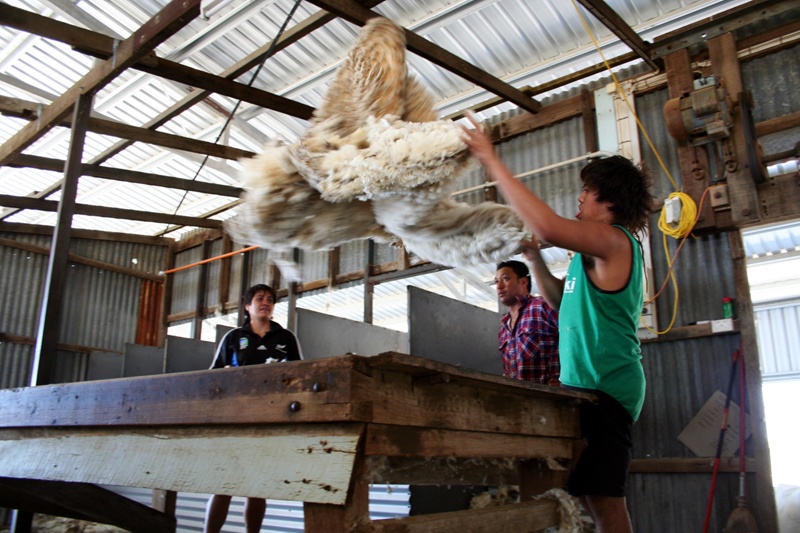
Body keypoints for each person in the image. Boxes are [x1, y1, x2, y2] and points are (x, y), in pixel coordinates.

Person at [463, 114, 653, 533]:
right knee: (590, 495)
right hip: (583, 389)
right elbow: (557, 303)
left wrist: (490, 158)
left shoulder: (616, 240)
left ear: (610, 202)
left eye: (587, 192)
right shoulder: (589, 258)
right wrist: (533, 257)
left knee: (605, 501)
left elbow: (548, 224)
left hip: (607, 389)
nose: (580, 199)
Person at [205, 283, 303, 533]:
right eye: (259, 298)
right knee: (224, 484)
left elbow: (300, 375)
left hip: (271, 419)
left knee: (258, 486)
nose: (265, 302)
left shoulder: (286, 338)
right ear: (247, 306)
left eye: (270, 299)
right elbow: (212, 378)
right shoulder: (234, 338)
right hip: (236, 418)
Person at [495, 259, 560, 385]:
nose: (499, 287)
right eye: (496, 282)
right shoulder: (504, 327)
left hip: (554, 397)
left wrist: (564, 380)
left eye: (505, 279)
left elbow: (574, 336)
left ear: (523, 282)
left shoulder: (542, 306)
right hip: (522, 399)